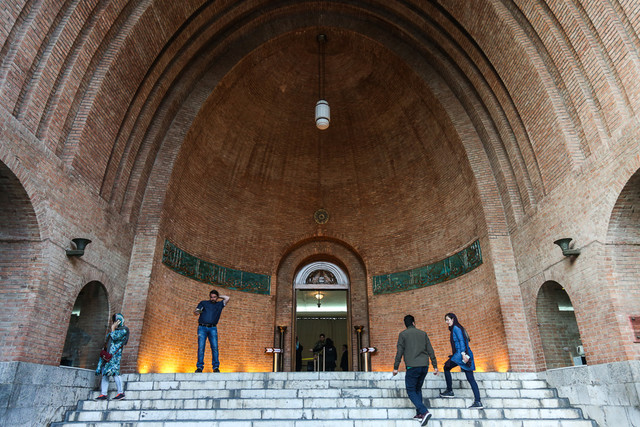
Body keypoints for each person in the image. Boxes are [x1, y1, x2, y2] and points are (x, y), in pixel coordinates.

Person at [393, 315, 438, 426]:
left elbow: (399, 352)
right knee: (418, 389)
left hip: (412, 367)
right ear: (413, 323)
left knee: (411, 390)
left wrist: (395, 367)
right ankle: (419, 414)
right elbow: (430, 350)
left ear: (406, 324)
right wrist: (435, 365)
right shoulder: (423, 333)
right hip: (424, 366)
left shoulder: (403, 334)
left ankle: (424, 411)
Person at [439, 312, 483, 409]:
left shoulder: (456, 328)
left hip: (461, 355)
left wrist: (463, 354)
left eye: (448, 320)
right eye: (445, 320)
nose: (446, 322)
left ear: (453, 319)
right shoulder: (458, 327)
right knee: (471, 378)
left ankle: (449, 391)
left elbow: (462, 340)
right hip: (463, 354)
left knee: (446, 367)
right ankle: (478, 401)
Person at [95, 313, 130, 400]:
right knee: (105, 374)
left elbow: (114, 337)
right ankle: (103, 394)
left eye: (116, 321)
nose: (114, 323)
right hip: (106, 356)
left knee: (115, 373)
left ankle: (121, 393)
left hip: (114, 357)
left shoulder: (124, 330)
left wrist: (113, 329)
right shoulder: (113, 331)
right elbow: (107, 342)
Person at [194, 289, 230, 373]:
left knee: (214, 348)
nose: (212, 298)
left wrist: (219, 296)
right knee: (201, 348)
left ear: (217, 298)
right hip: (202, 328)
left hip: (213, 328)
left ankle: (215, 367)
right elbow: (196, 312)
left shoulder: (219, 304)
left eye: (214, 297)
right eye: (211, 297)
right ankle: (199, 367)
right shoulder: (204, 303)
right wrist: (197, 311)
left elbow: (227, 298)